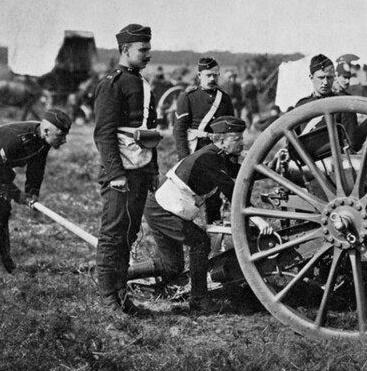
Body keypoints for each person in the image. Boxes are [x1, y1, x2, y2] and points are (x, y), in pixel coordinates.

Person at [142, 116, 274, 313]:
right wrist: (259, 220)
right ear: (221, 140)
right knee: (200, 242)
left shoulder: (217, 156)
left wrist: (273, 167)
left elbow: (242, 172)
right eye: (237, 138)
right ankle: (199, 299)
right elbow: (233, 192)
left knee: (172, 266)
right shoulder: (208, 159)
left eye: (241, 138)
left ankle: (122, 277)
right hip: (161, 210)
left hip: (164, 208)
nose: (242, 142)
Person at [92, 23, 162, 317]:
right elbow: (104, 134)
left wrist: (153, 171)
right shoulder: (112, 84)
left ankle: (121, 295)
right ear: (125, 50)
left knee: (129, 233)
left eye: (149, 48)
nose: (148, 54)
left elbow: (149, 132)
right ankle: (108, 298)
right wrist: (116, 175)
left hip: (140, 170)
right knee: (113, 234)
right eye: (142, 49)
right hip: (120, 173)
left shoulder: (141, 83)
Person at [0, 109, 72, 274]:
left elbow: (37, 167)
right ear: (47, 131)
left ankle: (6, 260)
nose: (64, 140)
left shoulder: (43, 139)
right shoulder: (16, 138)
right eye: (61, 135)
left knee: (3, 212)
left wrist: (32, 192)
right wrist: (18, 195)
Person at [172, 57, 236, 224]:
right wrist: (184, 157)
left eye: (215, 75)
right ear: (199, 75)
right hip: (196, 152)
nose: (212, 79)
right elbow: (179, 130)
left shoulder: (225, 99)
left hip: (216, 152)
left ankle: (213, 230)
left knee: (214, 196)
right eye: (208, 75)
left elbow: (231, 129)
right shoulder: (188, 97)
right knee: (188, 195)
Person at [292, 54, 364, 151]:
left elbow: (353, 143)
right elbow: (291, 143)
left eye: (329, 78)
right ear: (311, 77)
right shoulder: (301, 106)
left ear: (334, 77)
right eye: (321, 78)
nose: (325, 82)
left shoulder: (343, 103)